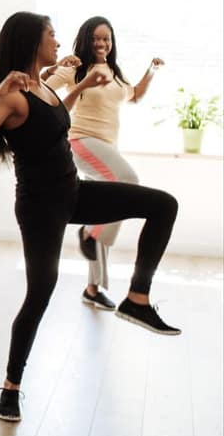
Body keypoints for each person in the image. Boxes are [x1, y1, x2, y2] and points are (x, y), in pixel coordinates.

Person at [0, 12, 180, 423]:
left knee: (162, 204)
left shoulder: (44, 85)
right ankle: (11, 387)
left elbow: (52, 120)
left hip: (74, 194)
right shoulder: (11, 95)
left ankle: (137, 298)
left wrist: (79, 85)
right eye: (52, 35)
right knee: (40, 293)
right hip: (41, 207)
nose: (59, 42)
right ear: (32, 41)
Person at [44, 16, 164, 310]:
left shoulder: (114, 72)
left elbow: (133, 95)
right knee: (128, 182)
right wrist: (55, 67)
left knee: (107, 210)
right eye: (96, 38)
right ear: (86, 40)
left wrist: (151, 71)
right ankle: (88, 233)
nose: (101, 43)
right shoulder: (75, 68)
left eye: (106, 39)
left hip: (106, 147)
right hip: (81, 141)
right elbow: (42, 88)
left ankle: (93, 289)